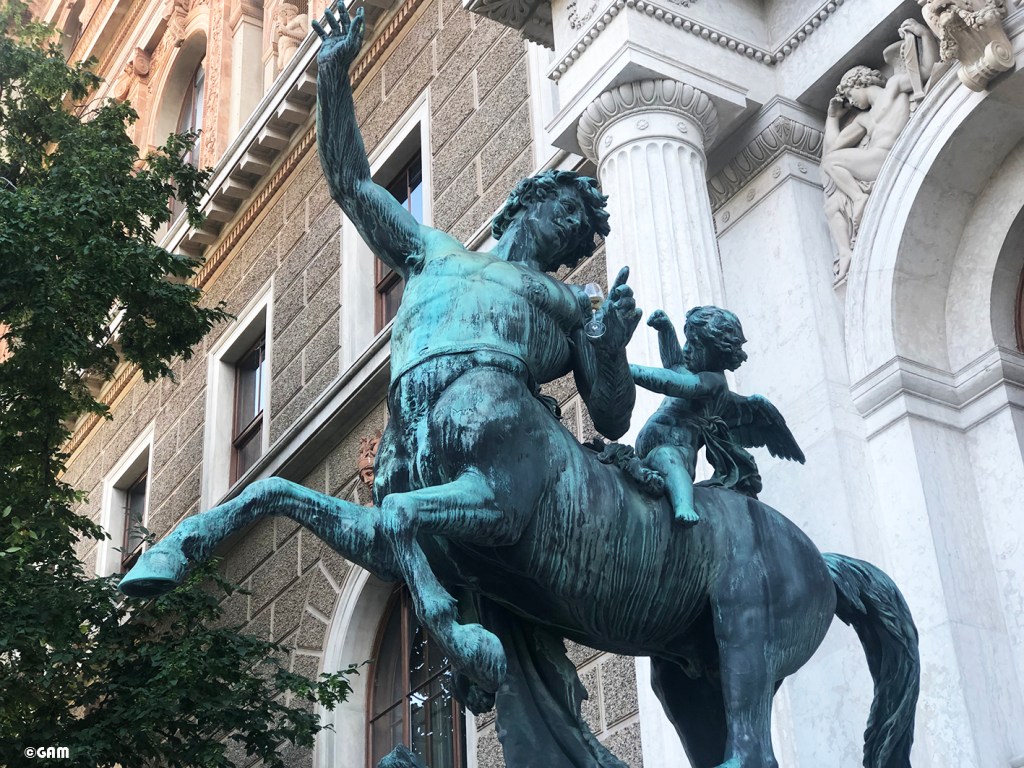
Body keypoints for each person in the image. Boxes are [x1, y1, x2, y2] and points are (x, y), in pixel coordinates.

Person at [312, 3, 641, 689]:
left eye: (579, 235)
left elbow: (611, 415)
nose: (571, 233)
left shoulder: (569, 303)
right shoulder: (434, 251)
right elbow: (352, 185)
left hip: (498, 449)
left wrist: (611, 347)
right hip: (408, 439)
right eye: (566, 212)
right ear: (527, 201)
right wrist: (332, 76)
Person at [630, 307, 804, 525]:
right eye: (687, 341)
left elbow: (675, 383)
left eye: (695, 345)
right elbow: (674, 364)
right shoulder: (692, 370)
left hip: (676, 451)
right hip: (644, 452)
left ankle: (684, 505)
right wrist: (665, 330)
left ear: (717, 354)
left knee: (668, 459)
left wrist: (630, 370)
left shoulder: (713, 382)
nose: (687, 349)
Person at [821, 18, 939, 279]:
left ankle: (859, 198)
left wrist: (923, 34)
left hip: (887, 156)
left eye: (850, 94)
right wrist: (832, 118)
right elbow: (832, 148)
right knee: (831, 182)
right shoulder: (864, 119)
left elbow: (926, 71)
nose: (850, 101)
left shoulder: (894, 86)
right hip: (874, 162)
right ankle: (850, 232)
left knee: (833, 163)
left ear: (860, 82)